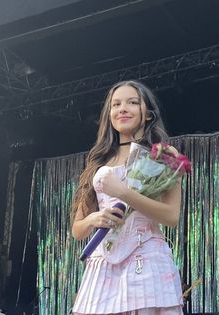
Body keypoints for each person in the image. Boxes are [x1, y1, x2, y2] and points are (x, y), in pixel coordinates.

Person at [71, 80, 183, 315]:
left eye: (132, 102)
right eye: (116, 104)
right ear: (109, 115)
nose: (122, 109)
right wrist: (94, 219)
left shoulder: (164, 155)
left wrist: (123, 192)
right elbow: (77, 230)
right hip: (103, 266)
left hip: (147, 259)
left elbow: (171, 217)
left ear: (148, 114)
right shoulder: (97, 162)